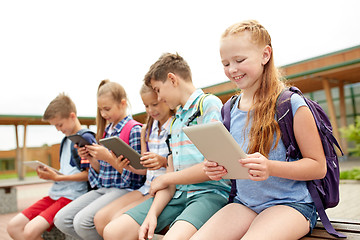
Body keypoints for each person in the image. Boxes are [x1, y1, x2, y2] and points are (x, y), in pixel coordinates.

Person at [190, 20, 327, 240]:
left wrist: (270, 167)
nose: (232, 69)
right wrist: (216, 168)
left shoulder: (291, 104)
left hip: (290, 204)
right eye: (225, 63)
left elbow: (318, 167)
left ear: (265, 55)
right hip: (245, 204)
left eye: (239, 60)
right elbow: (235, 164)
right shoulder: (229, 109)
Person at [103, 53, 231, 240]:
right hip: (176, 196)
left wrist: (165, 179)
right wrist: (152, 215)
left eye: (158, 89)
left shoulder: (207, 105)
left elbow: (216, 166)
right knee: (113, 231)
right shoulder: (175, 121)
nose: (159, 97)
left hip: (208, 194)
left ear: (172, 79)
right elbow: (170, 179)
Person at [54, 80, 145, 240]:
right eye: (101, 110)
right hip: (104, 188)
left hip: (125, 189)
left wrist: (109, 158)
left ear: (122, 103)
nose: (103, 114)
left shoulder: (134, 130)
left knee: (82, 222)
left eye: (107, 109)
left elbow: (137, 178)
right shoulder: (106, 131)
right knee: (62, 219)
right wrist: (90, 158)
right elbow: (99, 173)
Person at [7, 93, 95, 240]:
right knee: (13, 227)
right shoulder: (65, 141)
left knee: (29, 231)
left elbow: (89, 175)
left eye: (59, 124)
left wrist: (57, 177)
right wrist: (52, 174)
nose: (58, 129)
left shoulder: (84, 138)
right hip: (55, 194)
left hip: (72, 197)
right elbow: (68, 171)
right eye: (55, 126)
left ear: (72, 116)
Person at [94, 84, 175, 237]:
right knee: (100, 219)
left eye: (154, 104)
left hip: (165, 189)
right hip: (147, 187)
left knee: (115, 223)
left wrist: (163, 162)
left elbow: (180, 163)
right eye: (146, 106)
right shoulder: (146, 130)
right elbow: (143, 169)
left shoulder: (175, 126)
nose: (151, 110)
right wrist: (124, 164)